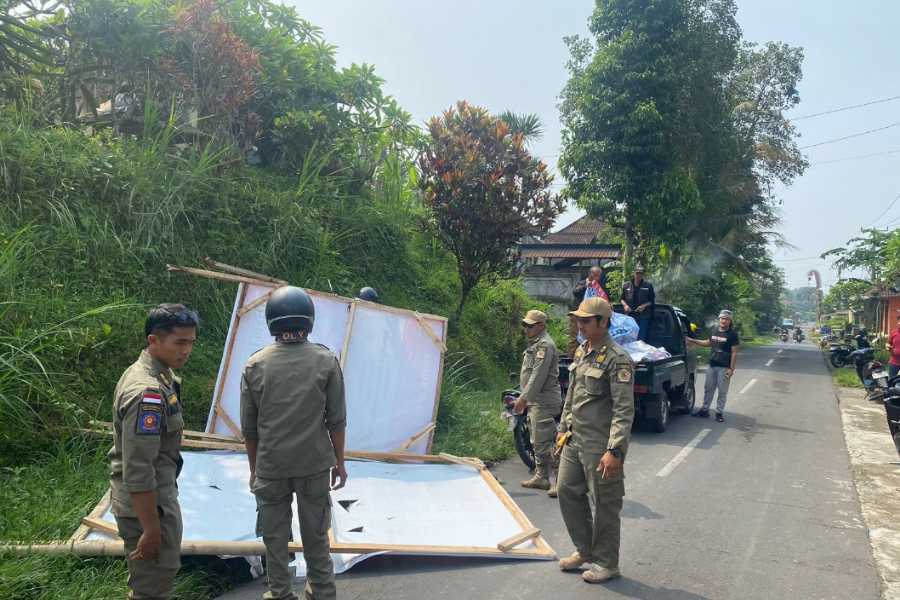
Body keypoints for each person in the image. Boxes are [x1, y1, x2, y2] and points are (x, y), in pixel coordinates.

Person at [241, 286, 347, 600]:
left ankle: (280, 593)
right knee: (316, 537)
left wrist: (254, 470)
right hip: (314, 465)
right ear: (308, 320)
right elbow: (337, 420)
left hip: (271, 467)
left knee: (275, 540)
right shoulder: (326, 361)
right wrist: (339, 463)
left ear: (271, 321)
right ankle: (322, 593)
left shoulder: (255, 365)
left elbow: (250, 429)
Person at [108, 303, 199, 600]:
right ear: (153, 340)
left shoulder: (159, 376)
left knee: (154, 581)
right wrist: (151, 528)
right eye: (180, 343)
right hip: (148, 507)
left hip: (156, 499)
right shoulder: (146, 393)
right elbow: (138, 469)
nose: (186, 350)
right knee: (152, 587)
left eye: (191, 342)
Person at [556, 297, 635, 584]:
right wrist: (562, 427)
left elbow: (624, 409)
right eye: (579, 320)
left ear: (603, 322)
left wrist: (615, 449)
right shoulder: (582, 351)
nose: (580, 325)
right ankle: (584, 550)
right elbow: (572, 394)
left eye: (586, 321)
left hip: (600, 445)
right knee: (566, 491)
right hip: (574, 438)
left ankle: (607, 563)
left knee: (604, 504)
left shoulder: (618, 359)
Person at [514, 309, 562, 496]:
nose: (526, 329)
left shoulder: (545, 346)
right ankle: (542, 476)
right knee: (537, 441)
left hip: (544, 400)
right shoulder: (536, 344)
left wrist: (523, 398)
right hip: (536, 400)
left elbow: (538, 376)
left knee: (547, 441)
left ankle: (558, 480)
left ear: (541, 326)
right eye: (525, 325)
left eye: (530, 326)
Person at [687, 310, 739, 423]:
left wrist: (731, 369)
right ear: (719, 319)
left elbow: (734, 352)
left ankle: (719, 413)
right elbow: (708, 343)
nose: (724, 320)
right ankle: (704, 410)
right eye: (722, 318)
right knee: (708, 389)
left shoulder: (733, 334)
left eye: (726, 319)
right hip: (712, 365)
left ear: (730, 321)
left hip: (724, 367)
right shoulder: (714, 330)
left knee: (722, 391)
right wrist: (693, 340)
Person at [568, 267, 609, 356]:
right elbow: (575, 292)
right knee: (574, 337)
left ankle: (587, 354)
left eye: (598, 276)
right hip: (577, 314)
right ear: (590, 274)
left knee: (588, 336)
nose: (597, 278)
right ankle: (572, 357)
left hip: (589, 317)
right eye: (595, 275)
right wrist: (586, 286)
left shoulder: (599, 286)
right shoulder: (582, 283)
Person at [620, 264, 655, 341]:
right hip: (630, 316)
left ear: (643, 274)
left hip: (643, 316)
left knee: (641, 338)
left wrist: (643, 306)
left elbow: (651, 301)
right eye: (637, 273)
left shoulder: (648, 285)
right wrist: (625, 306)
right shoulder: (626, 285)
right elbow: (622, 299)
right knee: (629, 337)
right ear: (634, 273)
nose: (639, 275)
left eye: (640, 273)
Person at [888, 314, 900, 380]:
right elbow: (889, 343)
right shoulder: (893, 332)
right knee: (891, 380)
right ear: (898, 322)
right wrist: (887, 346)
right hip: (894, 361)